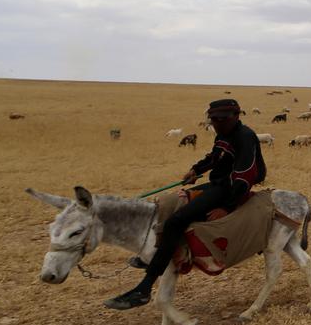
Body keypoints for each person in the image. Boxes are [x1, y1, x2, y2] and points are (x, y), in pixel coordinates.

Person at [104, 99, 266, 310]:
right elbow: (215, 158)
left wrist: (226, 207)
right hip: (219, 183)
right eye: (213, 119)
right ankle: (164, 253)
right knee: (176, 201)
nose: (217, 123)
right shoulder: (224, 134)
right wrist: (196, 170)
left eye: (222, 118)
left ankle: (144, 288)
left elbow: (245, 177)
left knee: (175, 221)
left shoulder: (245, 137)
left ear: (236, 116)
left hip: (229, 188)